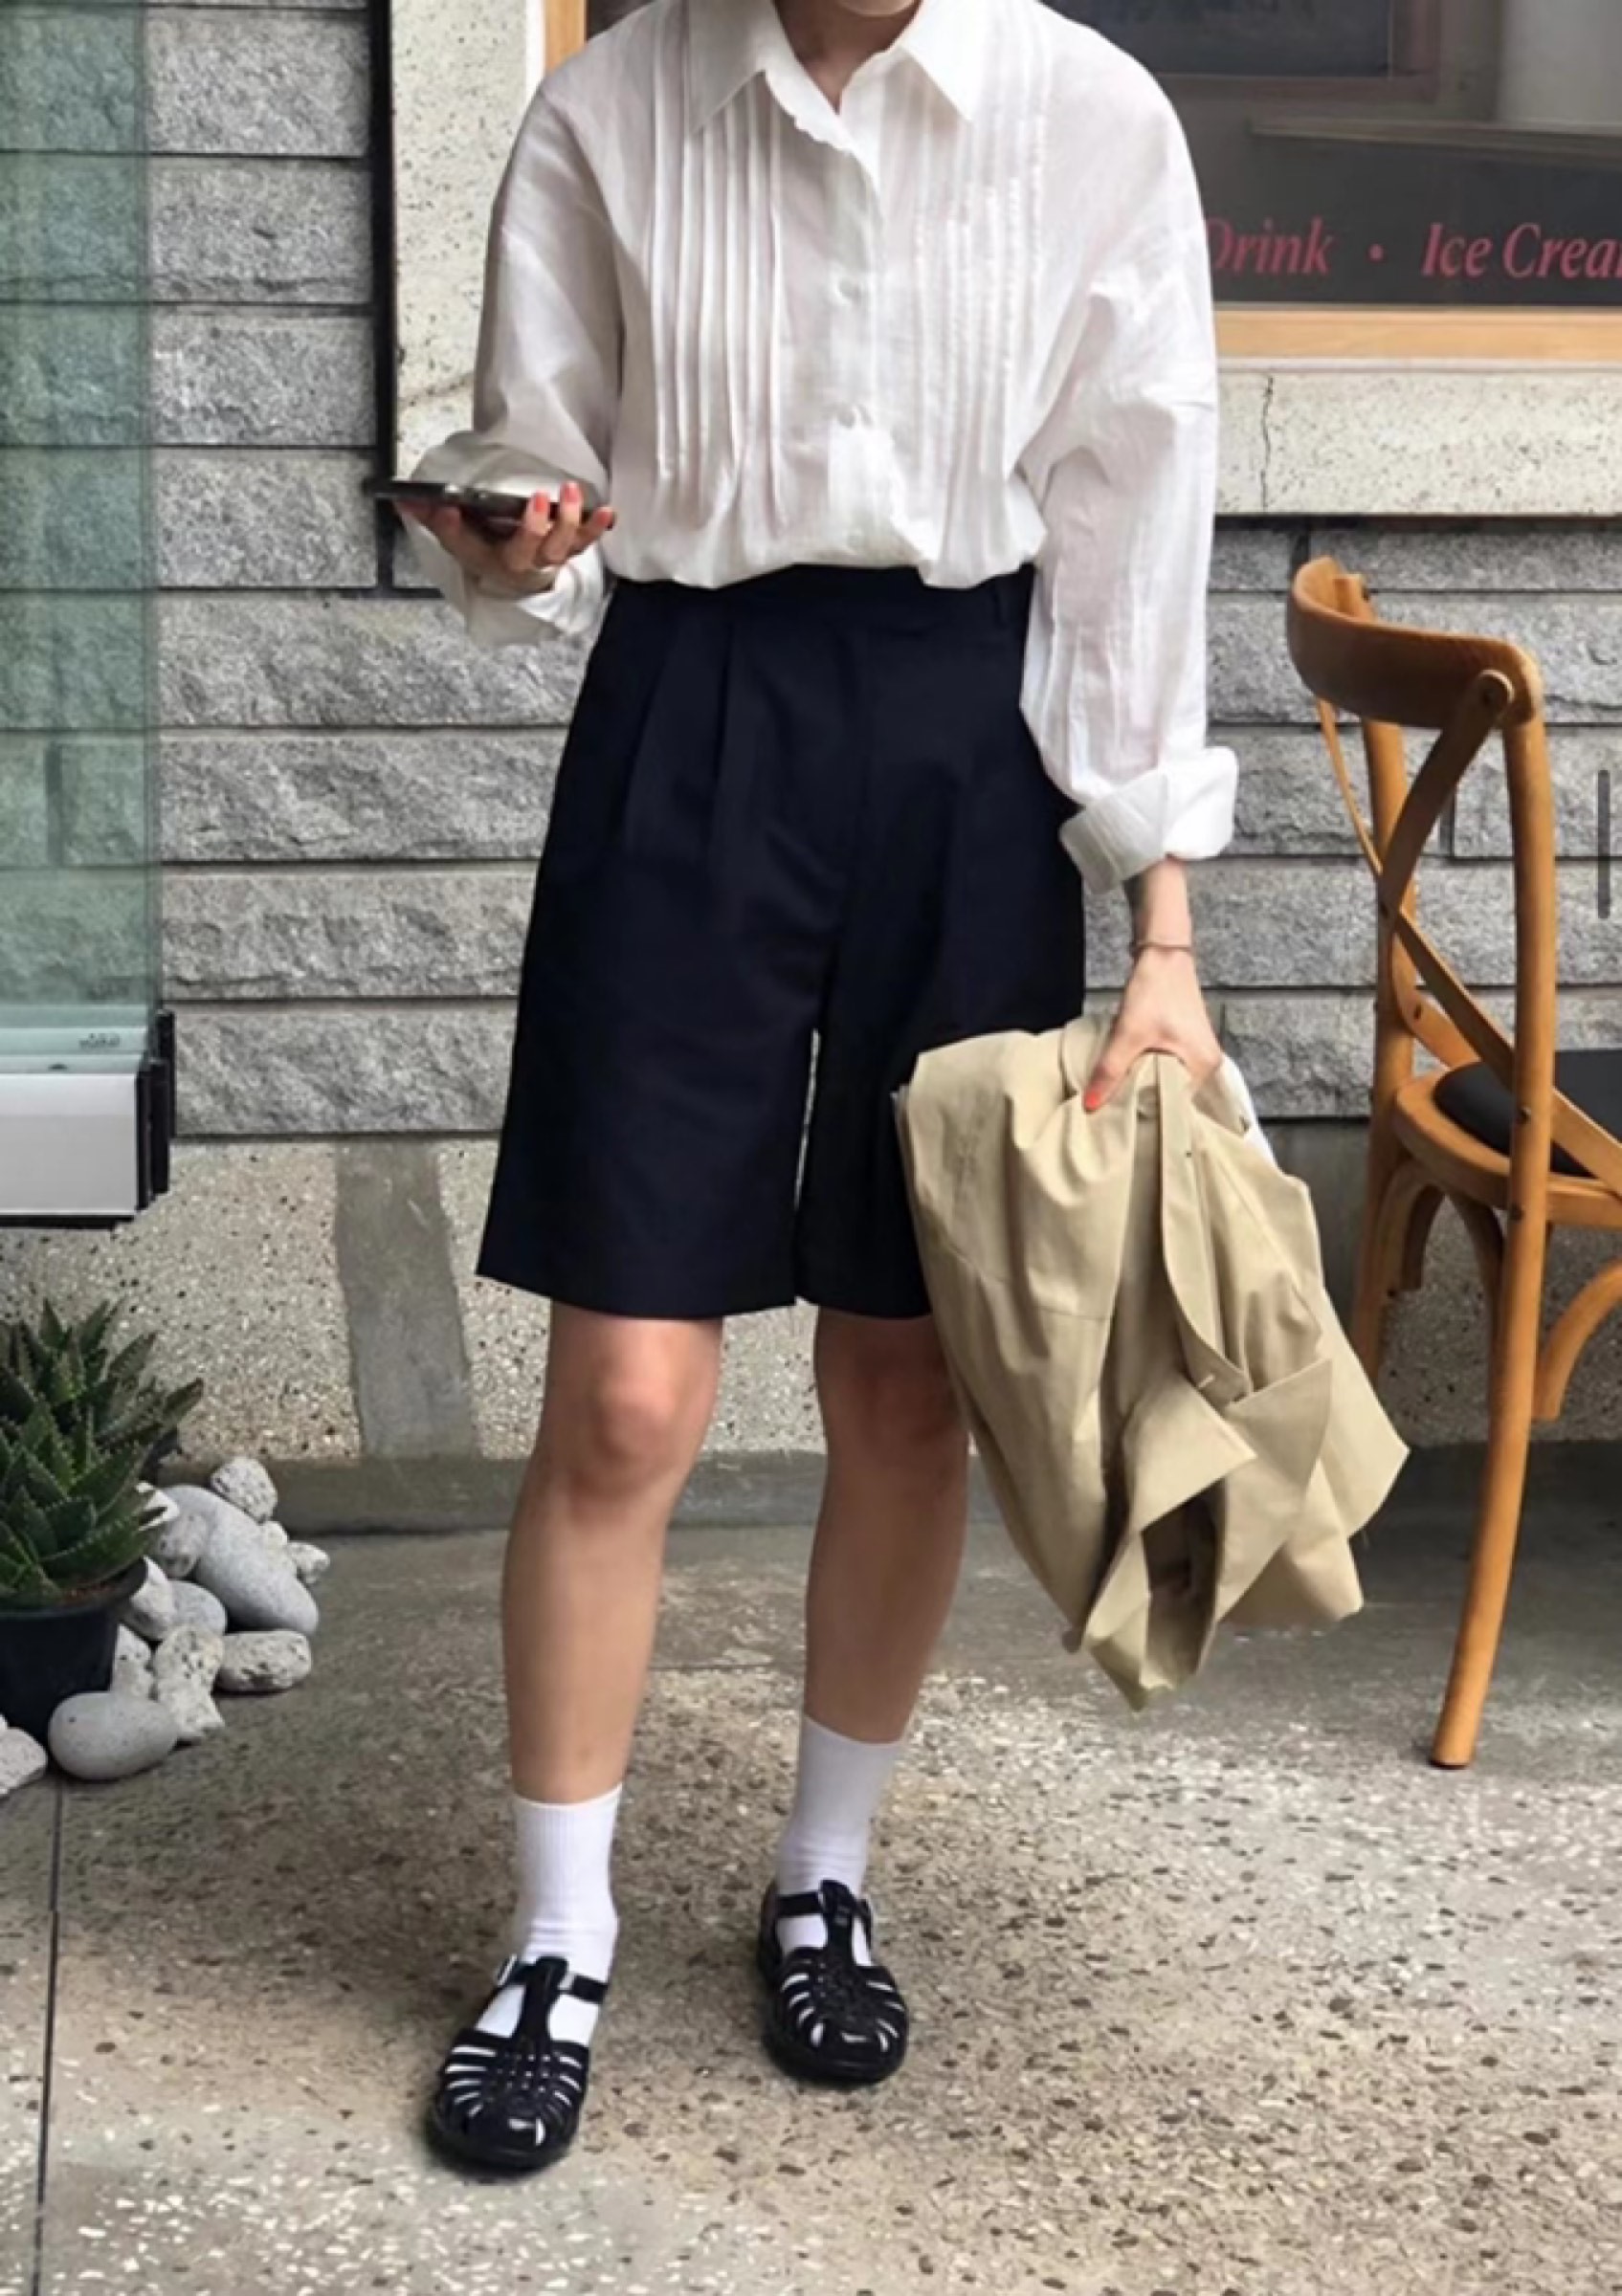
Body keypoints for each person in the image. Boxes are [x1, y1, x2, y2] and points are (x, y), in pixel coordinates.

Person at [404, 0, 1235, 2176]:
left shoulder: (1088, 114)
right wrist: (508, 539)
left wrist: (1161, 936)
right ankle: (556, 1935)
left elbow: (1134, 521)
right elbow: (541, 465)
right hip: (689, 714)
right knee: (623, 1395)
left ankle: (823, 1879)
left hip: (976, 744)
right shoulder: (606, 113)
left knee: (902, 1371)